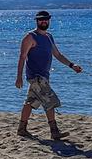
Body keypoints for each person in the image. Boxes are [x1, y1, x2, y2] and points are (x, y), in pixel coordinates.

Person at [15, 10, 82, 139]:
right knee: (50, 101)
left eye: (46, 19)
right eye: (41, 19)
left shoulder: (49, 37)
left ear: (49, 21)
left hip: (44, 76)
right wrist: (19, 77)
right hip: (36, 77)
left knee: (30, 102)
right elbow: (22, 57)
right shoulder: (30, 37)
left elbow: (57, 55)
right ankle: (54, 132)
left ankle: (21, 129)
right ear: (37, 21)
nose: (43, 21)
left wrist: (72, 65)